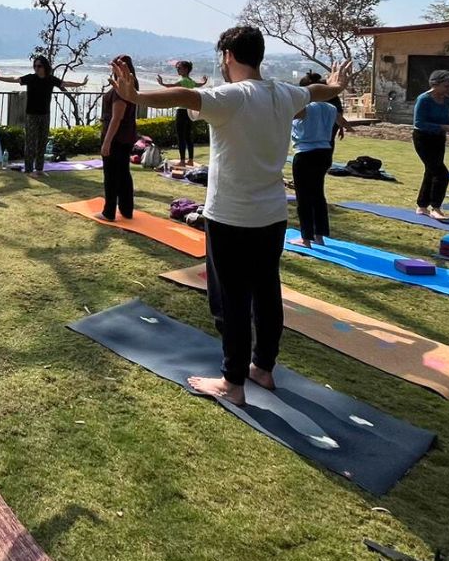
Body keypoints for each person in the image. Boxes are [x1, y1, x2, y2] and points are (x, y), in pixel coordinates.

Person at [110, 27, 350, 405]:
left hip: (232, 218)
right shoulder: (284, 93)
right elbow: (316, 93)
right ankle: (263, 369)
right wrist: (334, 87)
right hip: (272, 216)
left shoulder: (231, 97)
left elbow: (184, 94)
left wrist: (137, 96)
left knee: (232, 300)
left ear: (227, 56)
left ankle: (232, 383)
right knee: (267, 292)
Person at [0, 56, 88, 174]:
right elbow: (16, 79)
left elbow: (65, 83)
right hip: (31, 115)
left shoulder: (50, 79)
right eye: (35, 66)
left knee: (42, 142)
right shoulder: (31, 78)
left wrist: (81, 83)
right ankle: (28, 169)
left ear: (45, 67)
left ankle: (39, 169)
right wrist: (0, 78)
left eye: (39, 66)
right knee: (30, 142)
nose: (37, 68)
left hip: (45, 115)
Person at [290, 76, 338, 246]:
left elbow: (283, 116)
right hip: (324, 153)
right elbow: (340, 121)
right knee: (318, 194)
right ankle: (320, 236)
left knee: (304, 197)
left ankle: (306, 238)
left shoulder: (303, 108)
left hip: (305, 154)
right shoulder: (331, 108)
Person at [412, 70, 449, 219]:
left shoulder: (446, 101)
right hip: (423, 138)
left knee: (431, 171)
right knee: (441, 173)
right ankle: (436, 207)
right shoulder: (424, 99)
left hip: (439, 139)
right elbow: (419, 123)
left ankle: (422, 206)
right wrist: (444, 127)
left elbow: (446, 120)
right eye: (446, 86)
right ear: (435, 84)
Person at [100, 55, 139, 221]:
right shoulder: (129, 86)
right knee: (123, 173)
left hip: (117, 138)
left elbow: (117, 117)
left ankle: (109, 212)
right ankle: (126, 210)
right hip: (125, 136)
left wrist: (107, 142)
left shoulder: (121, 89)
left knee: (112, 175)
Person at [158, 60, 208, 166]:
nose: (178, 69)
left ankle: (182, 161)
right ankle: (190, 160)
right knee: (188, 136)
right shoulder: (190, 81)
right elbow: (198, 85)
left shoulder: (183, 80)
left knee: (181, 136)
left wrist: (162, 83)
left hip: (181, 111)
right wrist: (203, 82)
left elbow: (171, 86)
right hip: (190, 111)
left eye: (179, 68)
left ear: (186, 69)